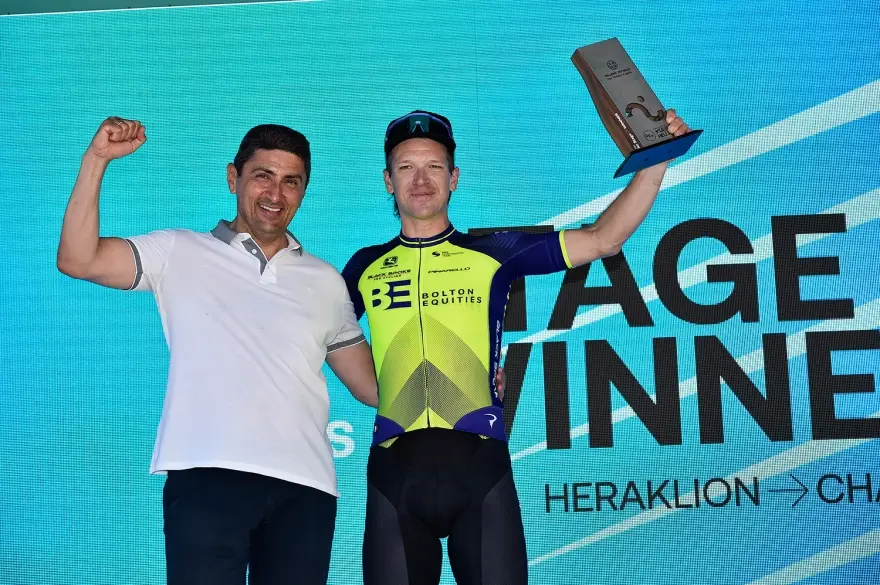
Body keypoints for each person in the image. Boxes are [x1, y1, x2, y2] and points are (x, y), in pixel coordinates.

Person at [342, 109, 691, 584]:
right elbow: (313, 333)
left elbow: (602, 239)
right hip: (394, 477)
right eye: (406, 167)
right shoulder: (363, 266)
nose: (420, 180)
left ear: (454, 178)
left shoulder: (494, 253)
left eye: (434, 167)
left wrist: (657, 160)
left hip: (480, 473)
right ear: (388, 180)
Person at [57, 117, 378, 585]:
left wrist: (471, 380)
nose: (275, 193)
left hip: (306, 487)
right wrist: (96, 160)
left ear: (303, 192)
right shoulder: (177, 251)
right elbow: (77, 259)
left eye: (291, 182)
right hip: (207, 475)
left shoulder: (326, 280)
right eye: (263, 175)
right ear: (233, 178)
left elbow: (373, 388)